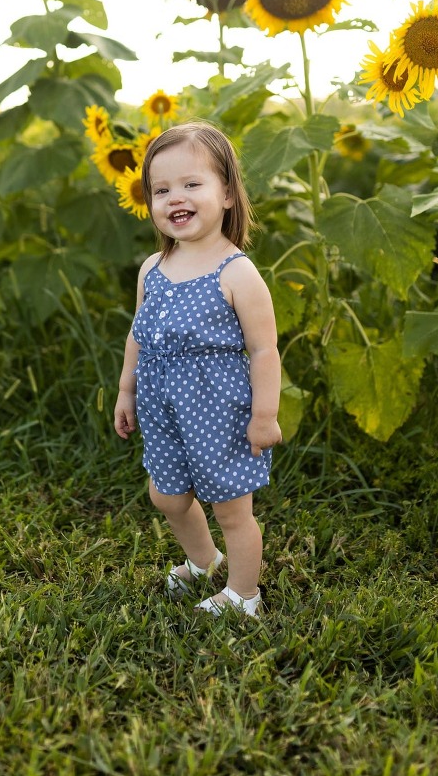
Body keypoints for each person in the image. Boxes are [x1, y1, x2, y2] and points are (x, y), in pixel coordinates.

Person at [114, 120, 282, 617]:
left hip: (220, 411)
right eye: (161, 189)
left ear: (227, 194)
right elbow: (138, 334)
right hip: (162, 408)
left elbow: (265, 350)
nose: (175, 198)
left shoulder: (236, 272)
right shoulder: (153, 268)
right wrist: (126, 391)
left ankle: (243, 594)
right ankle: (205, 562)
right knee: (166, 497)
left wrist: (265, 415)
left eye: (192, 184)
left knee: (232, 508)